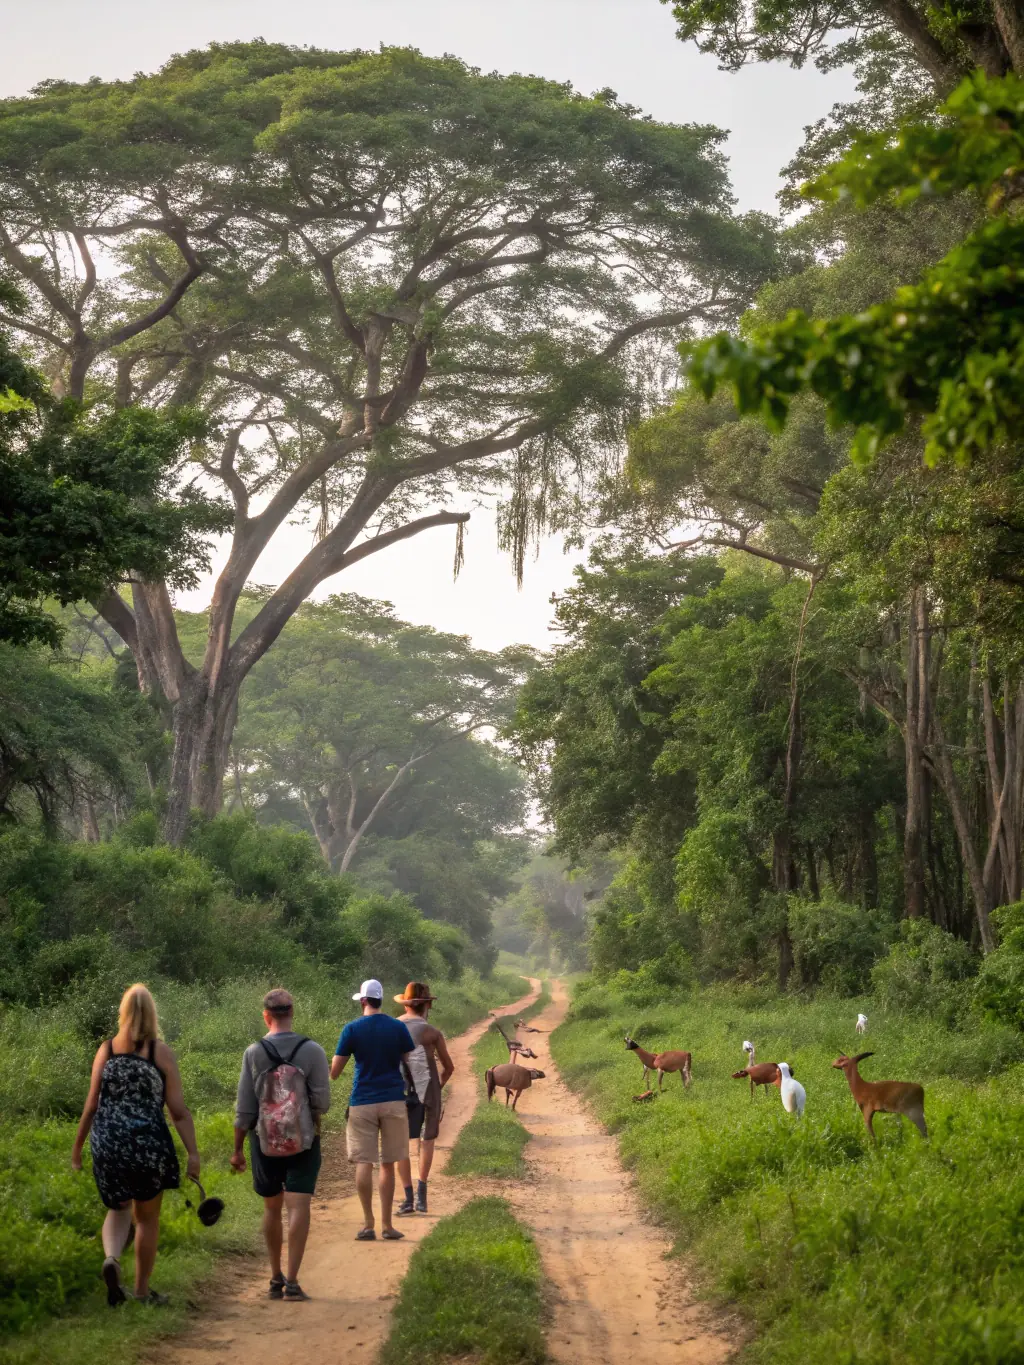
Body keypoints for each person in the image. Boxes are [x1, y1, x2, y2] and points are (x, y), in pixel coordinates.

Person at [71, 983, 199, 1307]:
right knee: (147, 1218)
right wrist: (193, 1153)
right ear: (153, 1014)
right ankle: (141, 1291)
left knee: (118, 1208)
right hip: (148, 1143)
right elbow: (179, 1112)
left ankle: (112, 1258)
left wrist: (76, 1151)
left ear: (123, 1012)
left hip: (108, 1142)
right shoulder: (160, 1053)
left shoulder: (107, 1050)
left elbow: (90, 1106)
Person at [231, 988, 331, 1302]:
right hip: (303, 1140)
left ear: (266, 1015)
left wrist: (236, 1151)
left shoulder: (253, 1052)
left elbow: (245, 1109)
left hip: (264, 1142)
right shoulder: (313, 1050)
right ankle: (294, 1282)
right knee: (299, 1206)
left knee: (271, 1208)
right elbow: (323, 1102)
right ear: (292, 1013)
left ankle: (274, 1278)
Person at [331, 977, 414, 1242]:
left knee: (363, 1163)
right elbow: (407, 1062)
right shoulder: (397, 1027)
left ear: (364, 1000)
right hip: (393, 1099)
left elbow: (334, 1072)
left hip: (362, 1101)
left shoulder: (352, 1029)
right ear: (380, 999)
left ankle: (368, 1224)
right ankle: (388, 1226)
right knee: (388, 1164)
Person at [393, 982, 454, 1216]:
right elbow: (449, 1067)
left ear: (406, 1004)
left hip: (402, 1090)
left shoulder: (395, 1027)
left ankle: (407, 1198)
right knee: (427, 1141)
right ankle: (422, 1194)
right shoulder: (432, 1032)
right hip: (429, 1089)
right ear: (427, 1005)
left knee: (404, 1143)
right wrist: (437, 1087)